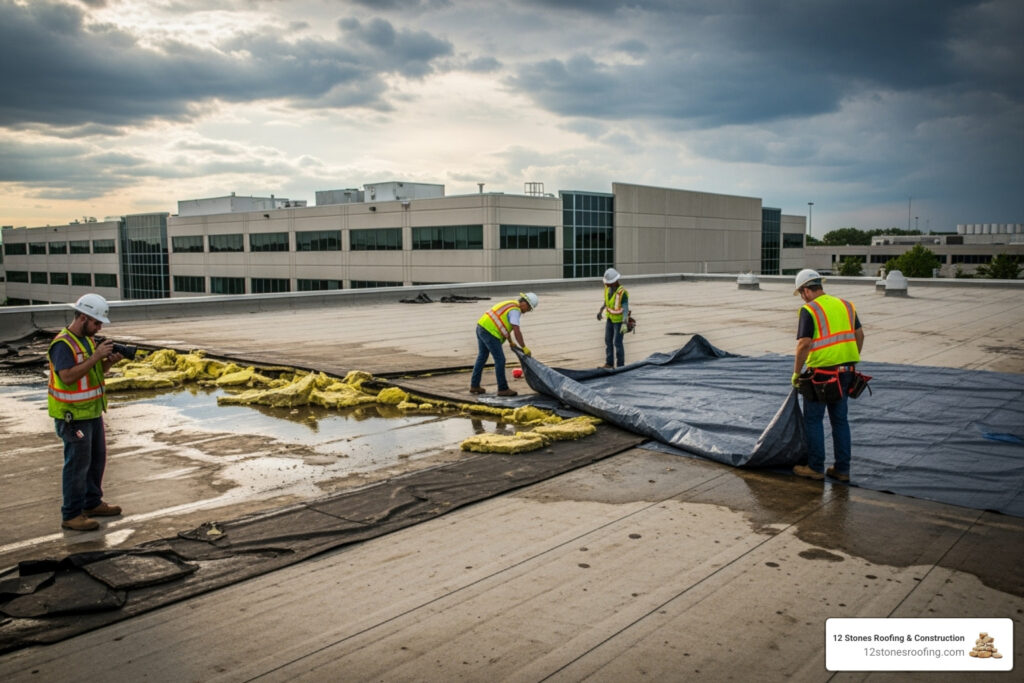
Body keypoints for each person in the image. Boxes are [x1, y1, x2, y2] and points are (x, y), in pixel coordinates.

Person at [48, 293, 125, 531]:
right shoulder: (63, 344)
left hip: (91, 412)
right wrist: (97, 356)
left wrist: (108, 362)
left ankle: (92, 503)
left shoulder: (88, 340)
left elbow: (93, 371)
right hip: (73, 417)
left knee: (96, 460)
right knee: (77, 465)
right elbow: (68, 377)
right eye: (96, 322)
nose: (99, 327)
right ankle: (71, 514)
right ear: (83, 318)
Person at [790, 269, 864, 483]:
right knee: (840, 421)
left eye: (801, 293)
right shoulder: (846, 305)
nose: (802, 297)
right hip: (847, 372)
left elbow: (804, 344)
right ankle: (842, 469)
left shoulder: (809, 309)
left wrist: (796, 373)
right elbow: (860, 335)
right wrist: (849, 358)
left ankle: (815, 467)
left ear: (805, 291)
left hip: (821, 376)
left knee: (813, 420)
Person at [470, 292, 538, 397]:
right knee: (500, 360)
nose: (527, 311)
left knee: (482, 356)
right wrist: (523, 347)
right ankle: (502, 389)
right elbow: (516, 330)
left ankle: (474, 385)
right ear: (525, 303)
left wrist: (510, 342)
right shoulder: (515, 311)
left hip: (481, 327)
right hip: (490, 333)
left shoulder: (511, 304)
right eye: (529, 309)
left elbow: (504, 325)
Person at [596, 268, 629, 368]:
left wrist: (624, 322)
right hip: (610, 319)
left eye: (608, 283)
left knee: (617, 343)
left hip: (619, 322)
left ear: (614, 281)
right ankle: (609, 363)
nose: (606, 284)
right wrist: (601, 310)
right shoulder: (607, 289)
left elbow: (625, 308)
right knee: (608, 341)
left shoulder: (622, 293)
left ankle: (620, 366)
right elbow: (606, 301)